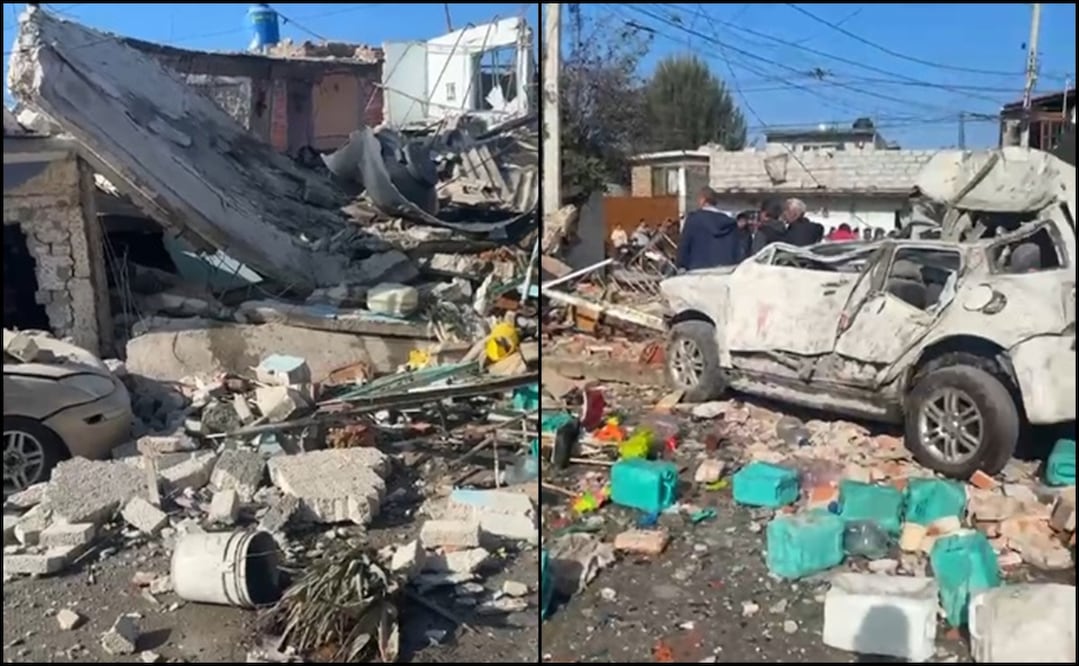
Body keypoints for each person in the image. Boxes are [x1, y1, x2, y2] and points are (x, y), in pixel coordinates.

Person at [675, 187, 743, 270]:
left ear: (702, 200)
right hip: (725, 271)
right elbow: (738, 250)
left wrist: (680, 265)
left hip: (698, 271)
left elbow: (684, 247)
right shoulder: (730, 223)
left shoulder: (694, 220)